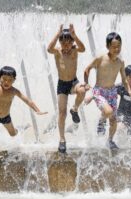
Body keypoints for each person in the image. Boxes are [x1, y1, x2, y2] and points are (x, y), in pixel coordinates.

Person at [84, 32, 131, 150]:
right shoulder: (100, 58)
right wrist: (87, 84)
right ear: (107, 46)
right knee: (108, 112)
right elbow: (87, 69)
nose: (116, 49)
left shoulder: (120, 62)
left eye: (119, 46)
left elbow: (124, 80)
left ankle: (110, 141)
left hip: (112, 92)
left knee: (113, 119)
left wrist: (129, 91)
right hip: (99, 91)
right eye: (113, 47)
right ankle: (102, 121)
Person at [0, 66, 47, 138]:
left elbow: (27, 100)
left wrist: (37, 110)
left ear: (14, 80)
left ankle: (19, 129)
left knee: (13, 134)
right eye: (4, 79)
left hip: (5, 117)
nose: (6, 82)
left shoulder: (14, 91)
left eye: (10, 80)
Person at [47, 24, 87, 153]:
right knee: (62, 113)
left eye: (68, 43)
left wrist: (75, 35)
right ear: (60, 42)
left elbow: (83, 48)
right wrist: (57, 34)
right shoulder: (57, 51)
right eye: (63, 42)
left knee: (81, 90)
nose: (66, 45)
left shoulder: (75, 50)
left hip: (73, 82)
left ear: (72, 43)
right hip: (62, 84)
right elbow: (48, 48)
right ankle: (62, 139)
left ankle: (75, 109)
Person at [89, 65, 131, 137]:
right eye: (130, 77)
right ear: (125, 77)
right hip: (121, 115)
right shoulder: (121, 87)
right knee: (120, 129)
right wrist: (92, 96)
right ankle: (102, 124)